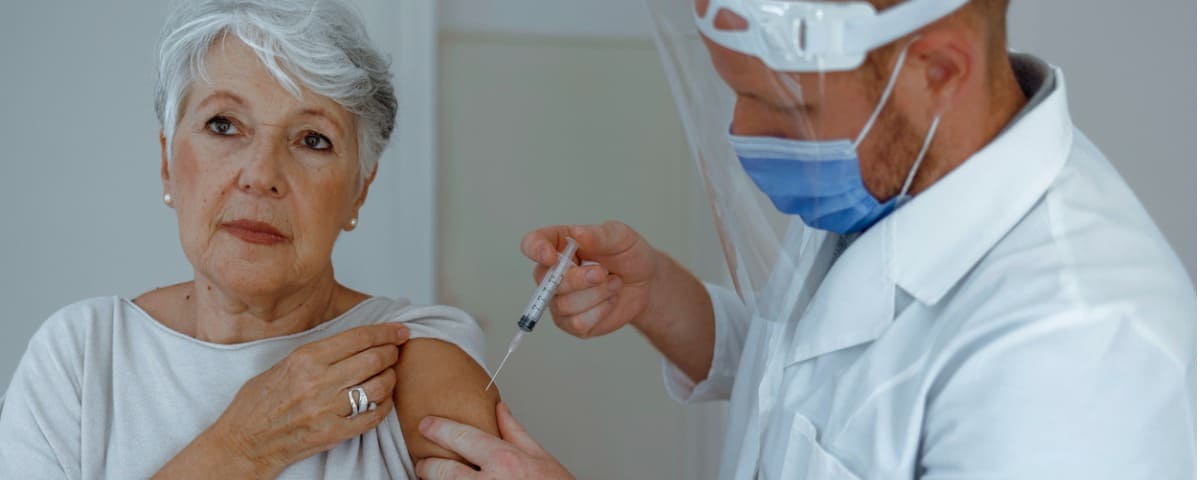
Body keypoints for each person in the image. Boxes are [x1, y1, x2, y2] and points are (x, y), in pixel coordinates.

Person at [415, 0, 1196, 478]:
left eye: (785, 107)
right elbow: (808, 367)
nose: (743, 131)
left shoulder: (1080, 352)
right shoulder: (890, 171)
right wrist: (661, 299)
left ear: (937, 70)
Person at [0, 1, 499, 478]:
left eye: (313, 139)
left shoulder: (415, 357)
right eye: (223, 125)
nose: (261, 175)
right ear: (167, 164)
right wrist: (244, 446)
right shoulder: (81, 357)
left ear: (359, 190)